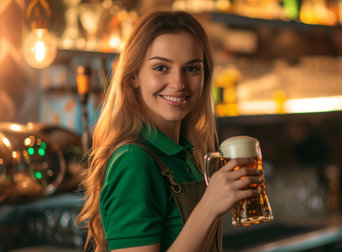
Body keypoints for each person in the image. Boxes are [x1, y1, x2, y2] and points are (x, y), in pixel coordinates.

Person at [77, 10, 262, 252]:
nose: (178, 83)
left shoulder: (183, 156)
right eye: (161, 68)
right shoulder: (134, 160)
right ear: (133, 76)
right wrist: (209, 207)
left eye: (192, 69)